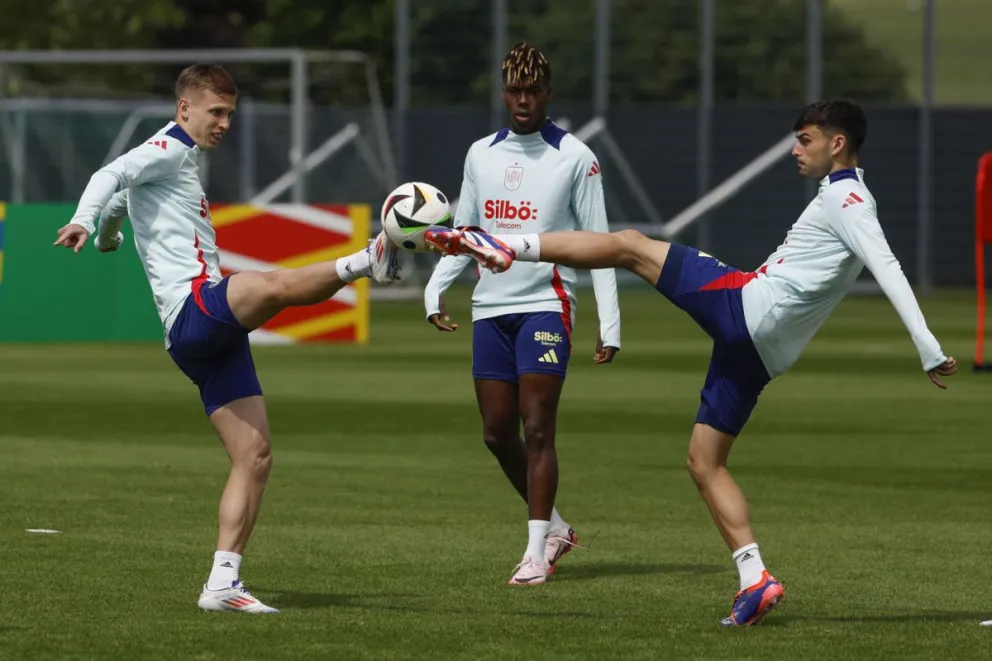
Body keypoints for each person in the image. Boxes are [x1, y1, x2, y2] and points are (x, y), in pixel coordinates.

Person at [424, 99, 958, 624]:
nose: (795, 150)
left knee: (630, 245)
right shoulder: (839, 197)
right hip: (760, 353)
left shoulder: (848, 199)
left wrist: (927, 344)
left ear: (837, 144)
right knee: (704, 461)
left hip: (746, 307)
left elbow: (885, 264)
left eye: (805, 140)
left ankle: (503, 246)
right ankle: (755, 580)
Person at [54, 64, 401, 614]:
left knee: (255, 454)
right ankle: (369, 258)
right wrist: (83, 217)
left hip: (200, 335)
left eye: (230, 114)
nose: (224, 124)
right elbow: (109, 176)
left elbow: (122, 198)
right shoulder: (167, 149)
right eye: (216, 113)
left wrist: (107, 236)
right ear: (184, 109)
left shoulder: (174, 158)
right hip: (193, 310)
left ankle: (222, 584)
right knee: (270, 283)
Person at [423, 42, 621, 585]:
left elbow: (599, 242)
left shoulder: (577, 158)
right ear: (504, 93)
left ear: (548, 94)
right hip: (490, 308)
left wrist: (611, 321)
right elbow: (463, 232)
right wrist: (434, 292)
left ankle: (536, 552)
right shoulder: (480, 154)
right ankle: (556, 527)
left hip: (545, 307)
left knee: (538, 427)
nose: (523, 100)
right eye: (515, 90)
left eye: (532, 91)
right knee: (495, 432)